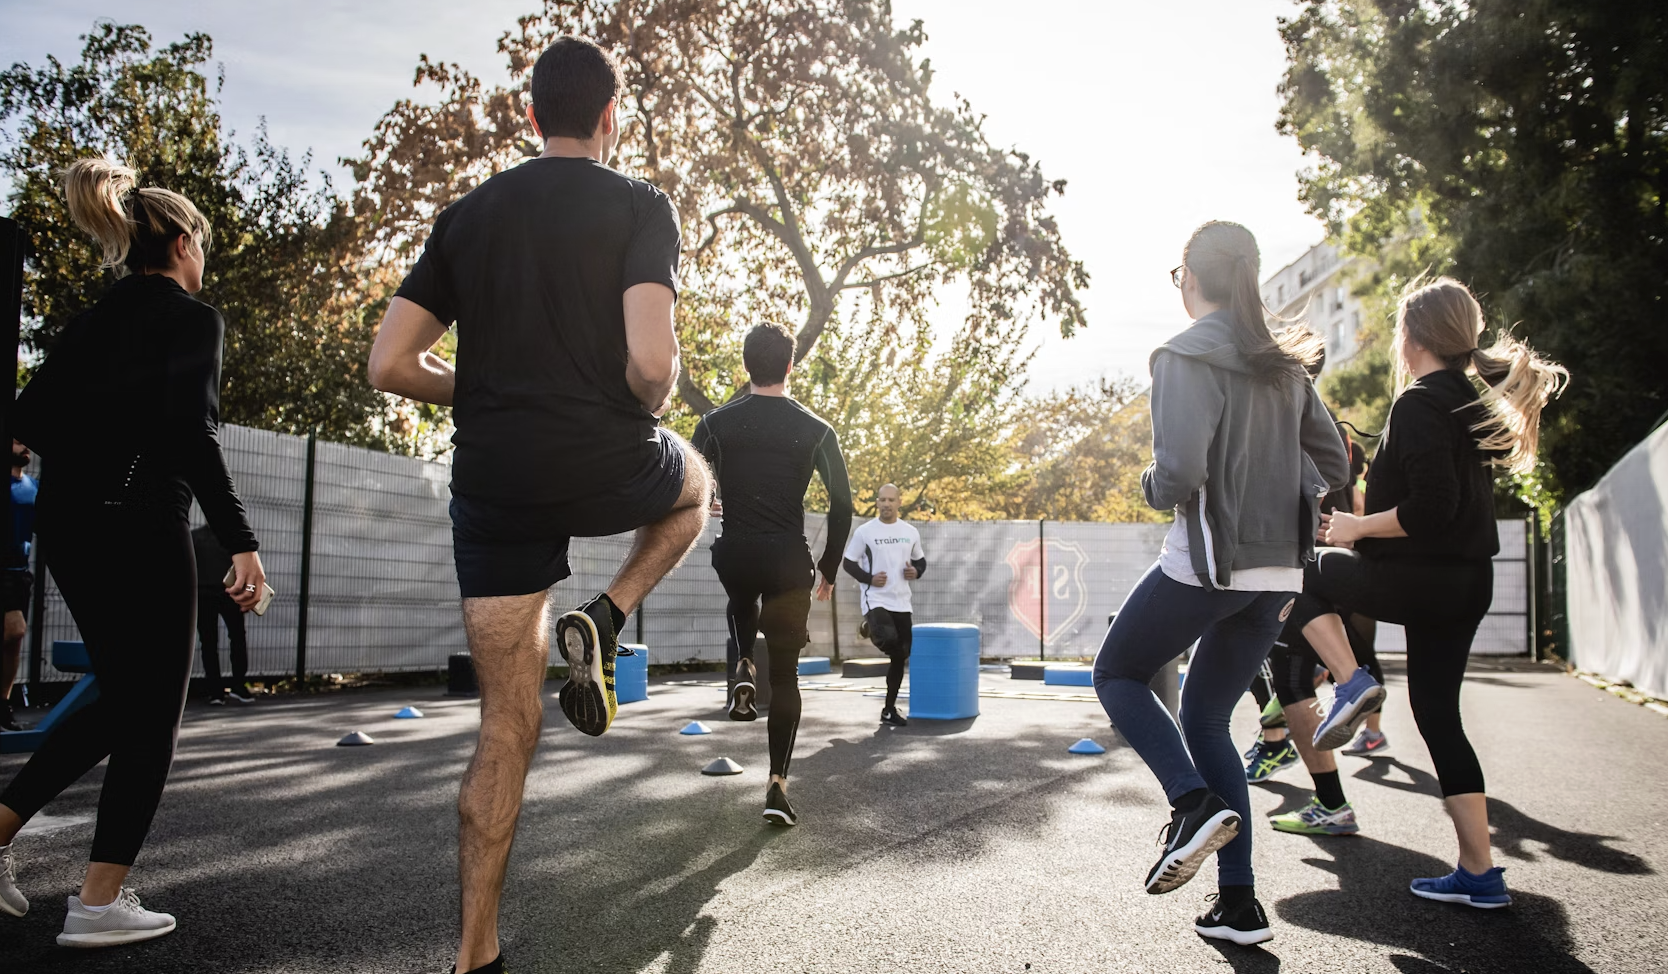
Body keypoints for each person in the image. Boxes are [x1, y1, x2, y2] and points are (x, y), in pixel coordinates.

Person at [366, 36, 710, 974]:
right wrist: (647, 402)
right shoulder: (641, 204)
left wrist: (479, 386)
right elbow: (650, 365)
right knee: (695, 491)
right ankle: (608, 612)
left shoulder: (468, 214)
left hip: (494, 483)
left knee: (503, 730)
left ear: (530, 117)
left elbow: (390, 363)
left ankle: (476, 953)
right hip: (604, 455)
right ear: (610, 118)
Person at [0, 158, 266, 944]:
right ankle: (95, 903)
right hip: (143, 523)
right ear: (183, 243)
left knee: (125, 698)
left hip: (72, 528)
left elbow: (31, 418)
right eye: (203, 246)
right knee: (154, 714)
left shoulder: (93, 321)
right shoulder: (192, 317)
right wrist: (242, 543)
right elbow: (193, 436)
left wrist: (107, 426)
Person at [1089, 221, 1348, 946]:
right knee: (1205, 719)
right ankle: (1240, 905)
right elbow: (1333, 461)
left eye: (1178, 277)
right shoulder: (1286, 367)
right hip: (1278, 574)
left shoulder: (1181, 353)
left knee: (1117, 671)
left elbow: (1177, 476)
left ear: (1192, 279)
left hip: (1210, 563)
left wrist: (1147, 481)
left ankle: (1190, 801)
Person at [1293, 277, 1566, 908]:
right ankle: (1479, 872)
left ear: (1411, 337)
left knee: (1301, 574)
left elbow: (1432, 508)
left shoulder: (1418, 403)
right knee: (1439, 717)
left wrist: (1359, 526)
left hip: (1422, 577)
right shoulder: (1469, 400)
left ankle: (1351, 680)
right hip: (1466, 581)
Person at [693, 323, 854, 827]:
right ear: (790, 365)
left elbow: (689, 482)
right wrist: (828, 567)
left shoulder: (715, 422)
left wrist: (710, 499)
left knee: (741, 590)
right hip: (789, 561)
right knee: (786, 676)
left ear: (746, 365)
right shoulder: (817, 429)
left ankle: (742, 661)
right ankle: (777, 786)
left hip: (736, 553)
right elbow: (844, 505)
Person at [841, 484, 925, 726]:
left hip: (902, 601)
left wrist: (915, 571)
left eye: (891, 500)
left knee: (902, 655)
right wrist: (869, 579)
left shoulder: (910, 532)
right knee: (890, 643)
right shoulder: (865, 532)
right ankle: (872, 625)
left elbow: (921, 561)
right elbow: (848, 563)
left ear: (899, 502)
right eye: (882, 500)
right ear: (877, 503)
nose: (886, 504)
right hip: (875, 599)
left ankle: (888, 710)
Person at [191, 524, 253, 704]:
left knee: (209, 644)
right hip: (230, 595)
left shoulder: (195, 537)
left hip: (204, 595)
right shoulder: (233, 537)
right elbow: (246, 569)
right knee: (237, 638)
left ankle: (216, 691)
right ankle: (238, 686)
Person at [0, 441, 37, 731]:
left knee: (14, 641)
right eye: (17, 440)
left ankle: (3, 705)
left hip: (20, 573)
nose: (25, 446)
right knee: (15, 629)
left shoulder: (32, 487)